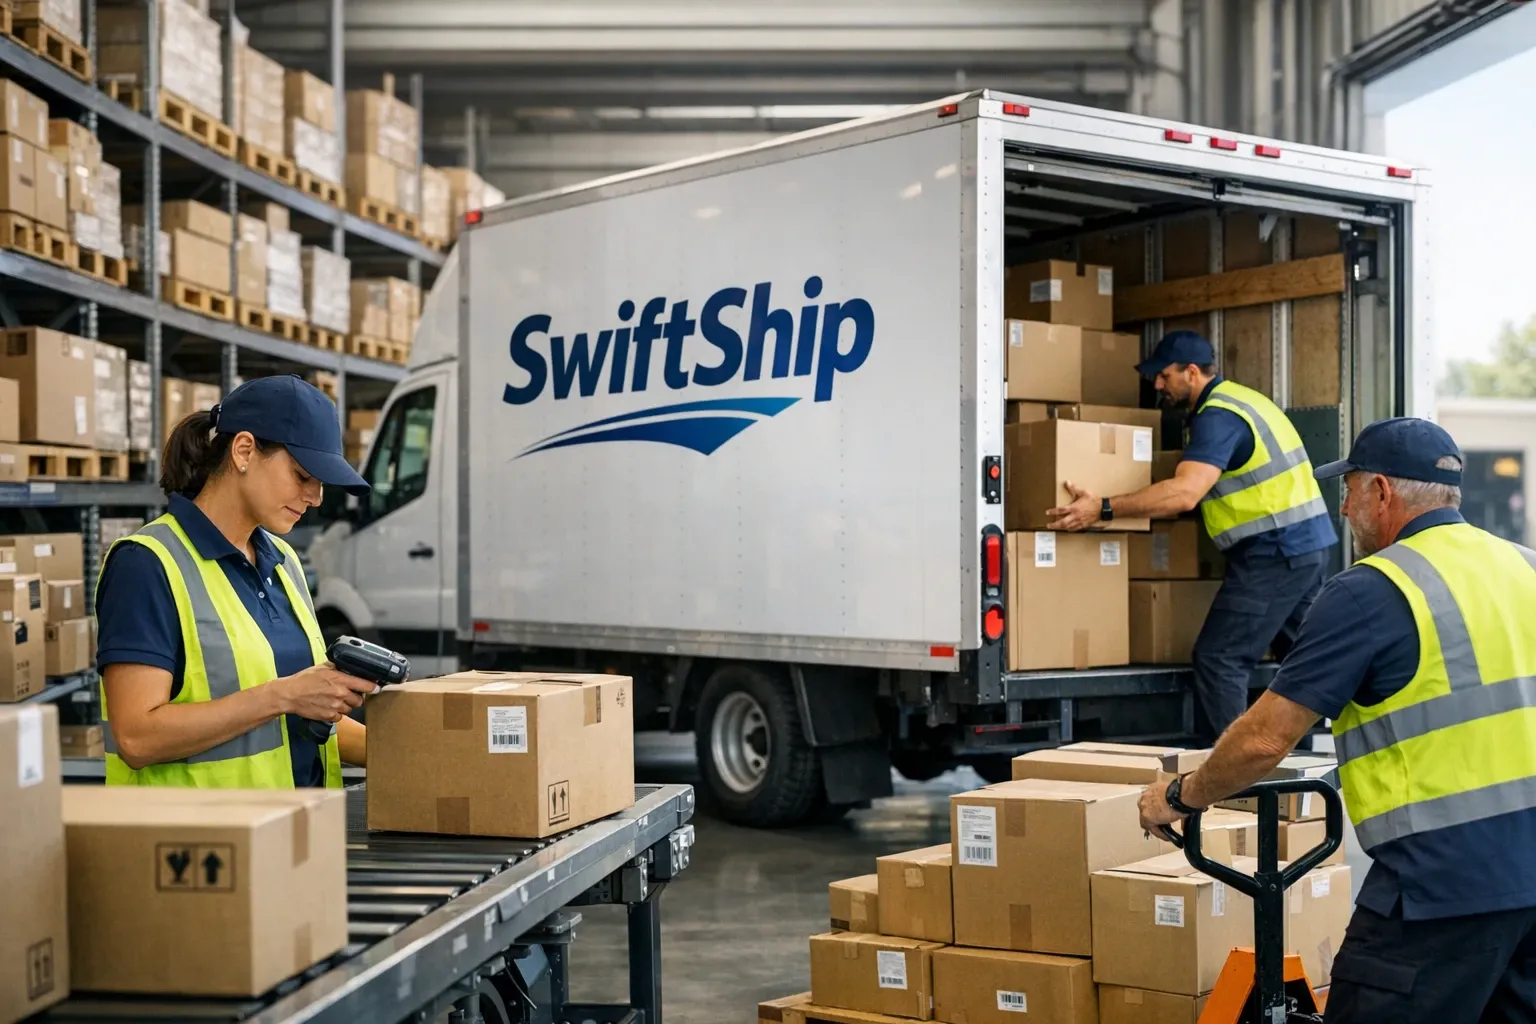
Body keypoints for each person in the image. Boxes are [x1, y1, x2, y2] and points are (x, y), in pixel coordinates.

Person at [1138, 417, 1536, 1023]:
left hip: (1436, 892)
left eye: (1348, 490)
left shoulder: (1370, 590)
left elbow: (1266, 738)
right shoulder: (1525, 567)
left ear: (1381, 490)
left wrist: (1180, 796)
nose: (1344, 509)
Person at [1049, 330, 1336, 740]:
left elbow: (1184, 494)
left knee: (1220, 659)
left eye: (1164, 375)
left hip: (1276, 550)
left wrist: (1104, 508)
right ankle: (1301, 762)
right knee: (1299, 664)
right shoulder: (1242, 400)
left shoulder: (1218, 416)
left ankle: (1227, 772)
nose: (1157, 385)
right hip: (1305, 546)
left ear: (1192, 372)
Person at [96, 374, 380, 787]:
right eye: (303, 476)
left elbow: (304, 724)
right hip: (202, 828)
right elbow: (137, 738)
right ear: (244, 450)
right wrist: (283, 695)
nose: (316, 497)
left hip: (300, 821)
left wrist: (425, 755)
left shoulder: (283, 562)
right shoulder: (147, 565)